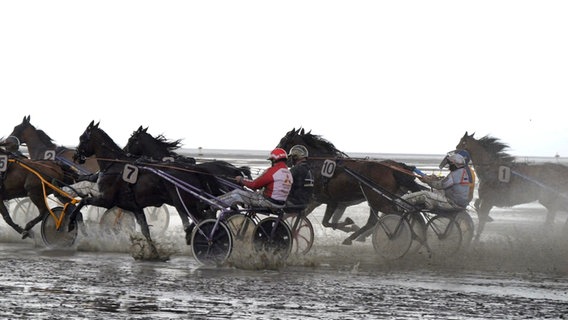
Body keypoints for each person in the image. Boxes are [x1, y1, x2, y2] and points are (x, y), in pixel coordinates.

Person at [215, 148, 293, 212]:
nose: (271, 162)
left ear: (274, 159)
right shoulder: (288, 173)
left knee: (237, 193)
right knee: (249, 194)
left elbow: (254, 185)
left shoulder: (274, 171)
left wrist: (241, 179)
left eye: (271, 160)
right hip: (280, 203)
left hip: (269, 202)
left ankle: (213, 205)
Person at [397, 152, 474, 212]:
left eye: (450, 164)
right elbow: (446, 183)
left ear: (455, 164)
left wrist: (426, 180)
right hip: (460, 202)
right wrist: (433, 179)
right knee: (435, 192)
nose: (449, 166)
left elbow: (439, 185)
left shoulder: (455, 174)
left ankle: (398, 203)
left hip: (452, 203)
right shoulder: (463, 172)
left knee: (425, 194)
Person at [285, 145, 314, 209]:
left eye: (292, 157)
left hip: (294, 201)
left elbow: (284, 183)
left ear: (295, 157)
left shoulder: (296, 169)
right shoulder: (309, 168)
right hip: (305, 201)